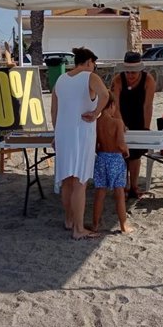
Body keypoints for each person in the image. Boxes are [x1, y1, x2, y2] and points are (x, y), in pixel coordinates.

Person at [51, 47, 109, 240]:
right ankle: (78, 229)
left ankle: (69, 220)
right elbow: (106, 95)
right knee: (79, 182)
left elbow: (54, 111)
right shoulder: (90, 77)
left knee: (67, 181)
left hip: (63, 134)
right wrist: (96, 113)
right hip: (81, 133)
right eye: (94, 64)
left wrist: (56, 133)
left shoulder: (61, 79)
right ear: (89, 62)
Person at [111, 51, 156, 198]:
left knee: (135, 156)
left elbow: (148, 105)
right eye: (128, 72)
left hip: (139, 118)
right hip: (121, 117)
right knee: (122, 154)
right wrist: (120, 124)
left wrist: (146, 128)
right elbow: (115, 105)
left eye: (134, 72)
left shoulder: (148, 80)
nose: (130, 75)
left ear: (140, 70)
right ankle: (124, 186)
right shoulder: (118, 80)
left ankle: (134, 187)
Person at [92, 94, 134, 234]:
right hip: (115, 159)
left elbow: (95, 145)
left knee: (100, 192)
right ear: (111, 105)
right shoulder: (117, 123)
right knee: (119, 193)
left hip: (102, 158)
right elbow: (121, 145)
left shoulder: (96, 123)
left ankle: (95, 224)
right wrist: (126, 151)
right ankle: (123, 225)